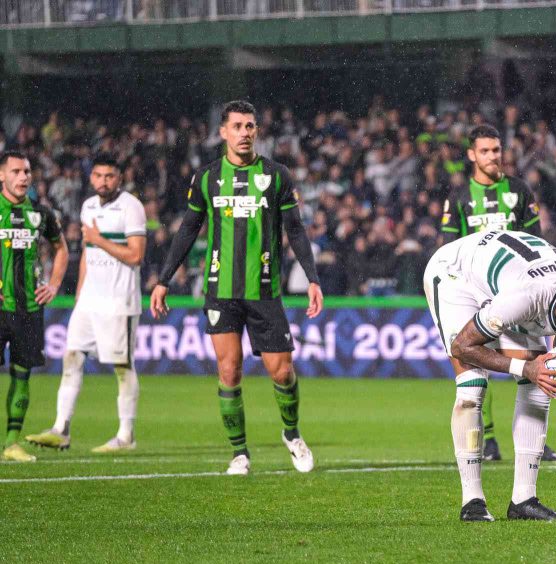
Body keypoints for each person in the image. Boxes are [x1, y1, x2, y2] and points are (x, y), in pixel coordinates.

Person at [149, 100, 323, 476]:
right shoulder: (207, 178)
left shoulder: (276, 176)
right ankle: (239, 453)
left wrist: (312, 278)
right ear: (223, 132)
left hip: (264, 290)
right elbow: (187, 229)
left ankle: (291, 434)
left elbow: (294, 229)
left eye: (250, 126)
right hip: (220, 290)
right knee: (229, 371)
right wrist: (163, 280)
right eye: (237, 126)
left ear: (257, 131)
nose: (245, 132)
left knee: (282, 372)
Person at [423, 229, 556, 522]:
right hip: (456, 274)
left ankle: (523, 500)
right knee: (472, 389)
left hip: (507, 278)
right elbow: (462, 347)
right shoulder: (526, 298)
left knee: (543, 378)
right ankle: (472, 502)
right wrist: (525, 367)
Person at [439, 124, 556, 463]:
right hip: (474, 293)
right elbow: (449, 249)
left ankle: (535, 442)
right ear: (471, 155)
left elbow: (537, 243)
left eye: (496, 150)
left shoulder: (520, 191)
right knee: (475, 364)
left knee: (533, 361)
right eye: (485, 151)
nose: (493, 156)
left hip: (517, 295)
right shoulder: (459, 198)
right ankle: (490, 440)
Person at [26, 155, 146, 453]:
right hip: (90, 299)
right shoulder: (88, 206)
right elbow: (89, 255)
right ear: (91, 177)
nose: (103, 181)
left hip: (120, 300)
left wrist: (99, 238)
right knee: (72, 358)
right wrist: (80, 292)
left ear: (119, 178)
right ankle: (61, 428)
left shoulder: (131, 207)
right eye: (98, 175)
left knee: (122, 366)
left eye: (109, 176)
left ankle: (126, 435)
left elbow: (135, 256)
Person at [0, 151, 69, 462]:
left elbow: (61, 249)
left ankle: (12, 443)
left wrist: (53, 285)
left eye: (26, 171)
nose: (23, 177)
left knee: (22, 376)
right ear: (2, 175)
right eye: (16, 171)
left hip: (29, 308)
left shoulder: (41, 214)